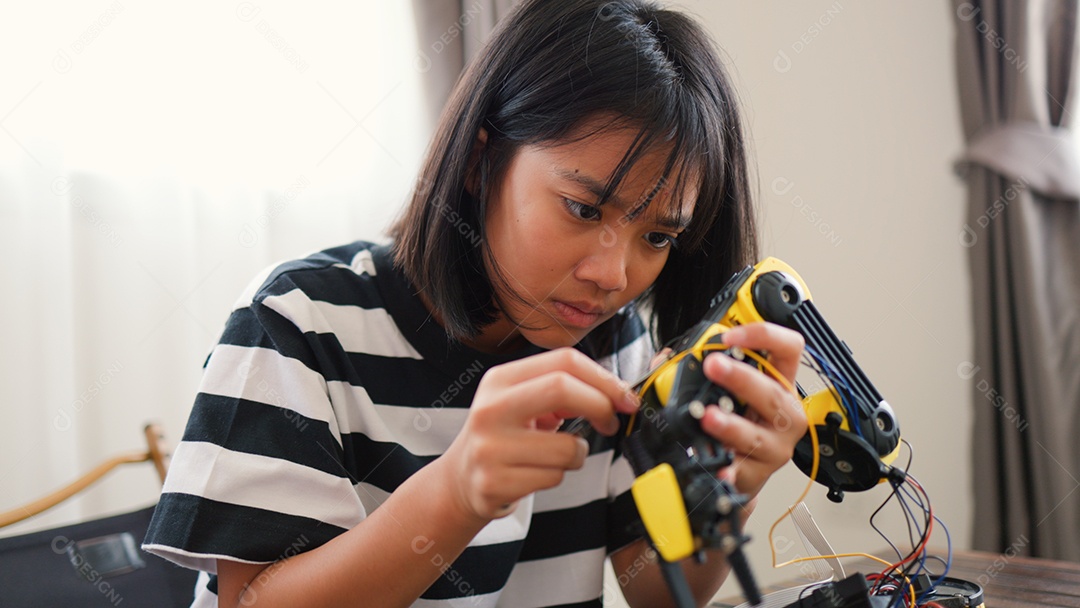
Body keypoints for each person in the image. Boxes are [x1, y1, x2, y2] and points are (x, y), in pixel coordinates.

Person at [142, 0, 808, 606]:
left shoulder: (615, 344)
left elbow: (656, 592)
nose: (613, 275)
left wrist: (732, 484)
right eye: (583, 209)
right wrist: (456, 491)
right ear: (480, 162)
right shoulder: (298, 323)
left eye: (657, 236)